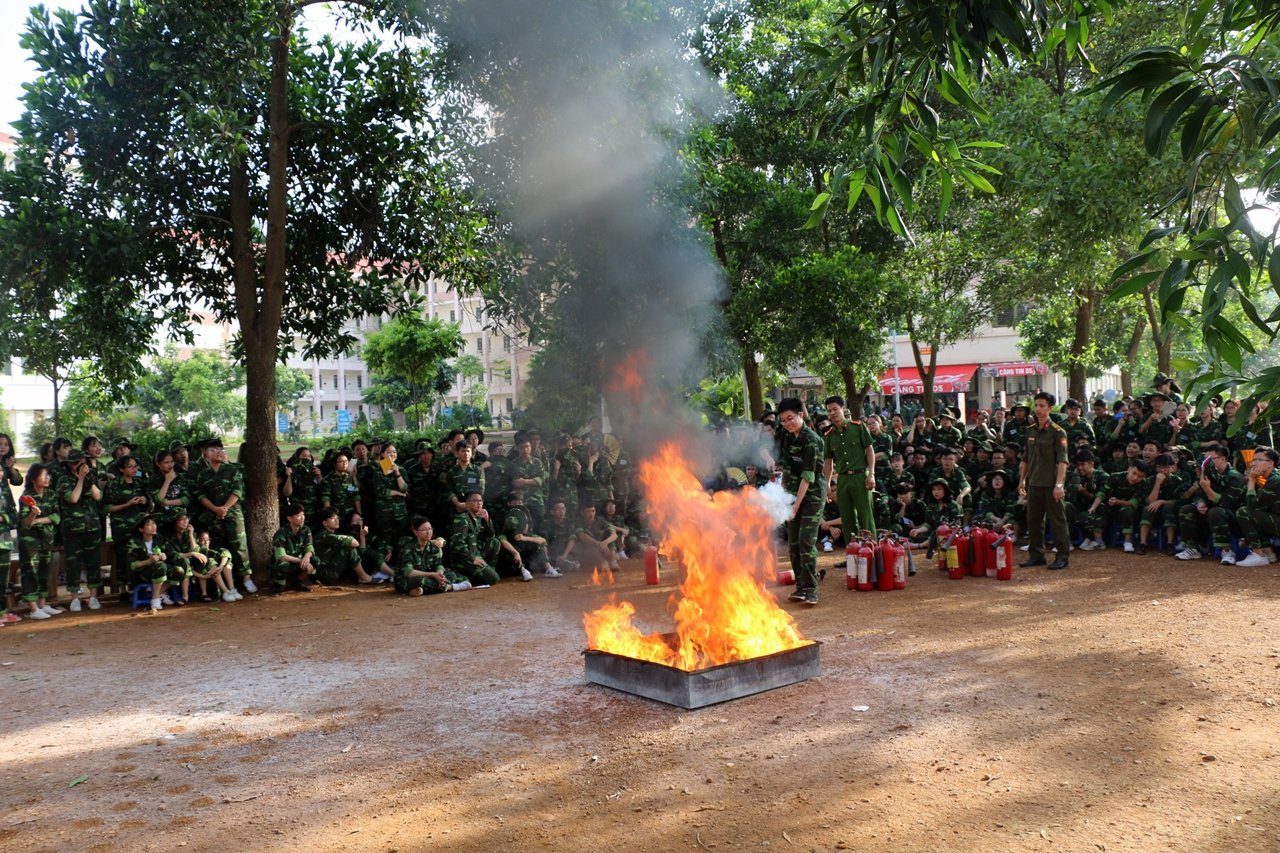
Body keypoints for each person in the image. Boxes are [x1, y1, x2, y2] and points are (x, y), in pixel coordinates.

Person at [777, 397, 825, 606]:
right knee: (794, 543)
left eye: (790, 419)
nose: (788, 424)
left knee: (806, 540)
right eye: (784, 421)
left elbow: (808, 476)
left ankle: (811, 589)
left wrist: (795, 506)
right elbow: (787, 470)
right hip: (793, 494)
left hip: (812, 495)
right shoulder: (788, 437)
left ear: (801, 415)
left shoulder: (811, 440)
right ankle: (800, 587)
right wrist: (783, 498)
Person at [194, 438, 255, 594]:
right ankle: (225, 583)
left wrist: (224, 508)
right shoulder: (203, 475)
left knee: (240, 547)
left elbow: (238, 492)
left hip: (233, 514)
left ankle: (246, 579)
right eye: (213, 450)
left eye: (221, 450)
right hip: (213, 517)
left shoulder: (233, 470)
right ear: (206, 454)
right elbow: (200, 496)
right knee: (219, 548)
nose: (218, 452)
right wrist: (216, 509)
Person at [1018, 391, 1070, 570]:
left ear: (1050, 408)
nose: (1038, 409)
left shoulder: (1058, 432)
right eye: (1036, 405)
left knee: (1057, 522)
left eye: (1042, 406)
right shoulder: (1030, 432)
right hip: (1033, 484)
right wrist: (1022, 481)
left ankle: (1062, 556)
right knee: (1033, 521)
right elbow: (1025, 459)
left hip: (1050, 485)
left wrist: (1059, 484)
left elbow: (1063, 461)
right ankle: (1036, 555)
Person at [1176, 445, 1246, 563]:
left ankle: (1227, 551)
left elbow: (1227, 503)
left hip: (1235, 517)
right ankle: (1193, 548)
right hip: (1213, 514)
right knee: (1187, 510)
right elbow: (1199, 495)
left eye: (1210, 459)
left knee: (1216, 512)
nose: (1206, 463)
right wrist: (1201, 503)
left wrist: (1207, 489)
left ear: (1223, 459)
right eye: (1205, 460)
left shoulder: (1235, 477)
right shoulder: (1208, 473)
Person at [822, 395, 877, 538]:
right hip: (842, 480)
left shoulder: (858, 427)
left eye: (835, 409)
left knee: (866, 518)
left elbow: (869, 450)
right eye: (829, 411)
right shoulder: (829, 435)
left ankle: (872, 555)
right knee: (847, 519)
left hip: (860, 477)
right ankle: (852, 557)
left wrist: (871, 474)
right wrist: (827, 484)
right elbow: (828, 461)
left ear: (843, 408)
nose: (832, 413)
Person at [58, 450, 105, 612]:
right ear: (69, 465)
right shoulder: (64, 480)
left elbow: (98, 496)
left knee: (93, 563)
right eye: (74, 463)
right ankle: (75, 599)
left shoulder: (91, 477)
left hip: (92, 527)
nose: (77, 465)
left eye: (80, 462)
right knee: (73, 565)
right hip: (72, 530)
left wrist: (89, 479)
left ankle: (93, 597)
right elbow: (73, 498)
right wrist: (80, 480)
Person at [18, 464, 62, 620]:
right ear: (34, 479)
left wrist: (37, 520)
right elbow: (25, 523)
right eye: (44, 476)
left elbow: (56, 517)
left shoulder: (51, 494)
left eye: (48, 475)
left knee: (44, 571)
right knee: (30, 573)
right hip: (30, 542)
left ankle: (43, 605)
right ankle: (33, 608)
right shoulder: (26, 497)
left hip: (46, 540)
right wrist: (32, 514)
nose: (47, 478)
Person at [105, 455, 152, 593]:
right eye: (130, 467)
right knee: (122, 558)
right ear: (121, 469)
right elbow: (107, 508)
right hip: (121, 528)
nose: (134, 469)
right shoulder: (113, 485)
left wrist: (145, 500)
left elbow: (150, 504)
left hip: (138, 527)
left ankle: (139, 587)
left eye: (135, 467)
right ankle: (122, 590)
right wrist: (128, 504)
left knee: (140, 555)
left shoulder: (140, 483)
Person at [1234, 446, 1280, 567]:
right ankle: (1269, 553)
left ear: (1270, 463)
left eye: (1259, 460)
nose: (1254, 463)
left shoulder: (1275, 480)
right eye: (1254, 460)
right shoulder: (1271, 478)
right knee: (1258, 513)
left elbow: (1252, 505)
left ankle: (1259, 555)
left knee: (1244, 512)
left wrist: (1251, 480)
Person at [396, 516, 464, 595]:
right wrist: (432, 574)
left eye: (430, 529)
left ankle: (420, 590)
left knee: (450, 574)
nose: (428, 532)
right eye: (424, 530)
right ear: (415, 532)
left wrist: (439, 574)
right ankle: (450, 587)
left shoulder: (434, 547)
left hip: (428, 577)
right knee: (420, 581)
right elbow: (408, 572)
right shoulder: (408, 548)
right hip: (408, 579)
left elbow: (438, 564)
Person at [499, 491, 557, 579]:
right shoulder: (504, 518)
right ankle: (523, 570)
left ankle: (548, 568)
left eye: (520, 503)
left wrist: (524, 538)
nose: (519, 506)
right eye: (515, 503)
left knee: (537, 544)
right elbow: (501, 538)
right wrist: (515, 553)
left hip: (526, 554)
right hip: (510, 559)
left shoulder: (526, 518)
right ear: (509, 504)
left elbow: (542, 541)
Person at [448, 491, 501, 586]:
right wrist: (472, 559)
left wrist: (487, 519)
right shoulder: (462, 519)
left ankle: (486, 571)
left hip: (476, 554)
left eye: (480, 500)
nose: (479, 503)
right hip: (464, 560)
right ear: (467, 504)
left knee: (495, 542)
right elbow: (457, 544)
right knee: (494, 579)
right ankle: (463, 576)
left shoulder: (478, 519)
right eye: (475, 500)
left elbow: (490, 536)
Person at [129, 514, 177, 612]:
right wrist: (149, 561)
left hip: (160, 569)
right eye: (149, 525)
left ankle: (157, 593)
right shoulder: (134, 542)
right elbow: (133, 565)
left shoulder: (160, 538)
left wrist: (164, 556)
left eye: (154, 524)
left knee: (179, 570)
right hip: (143, 572)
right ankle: (155, 599)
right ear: (141, 529)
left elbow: (171, 553)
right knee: (161, 566)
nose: (153, 527)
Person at [271, 502, 316, 593]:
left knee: (316, 560)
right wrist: (301, 561)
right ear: (289, 518)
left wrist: (306, 557)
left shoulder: (306, 529)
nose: (302, 517)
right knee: (283, 564)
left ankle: (297, 582)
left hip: (298, 561)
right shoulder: (281, 533)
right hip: (286, 562)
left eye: (303, 515)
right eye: (299, 515)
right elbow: (281, 556)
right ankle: (278, 584)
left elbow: (309, 546)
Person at [576, 503, 619, 572]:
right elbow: (582, 536)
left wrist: (605, 542)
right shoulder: (579, 522)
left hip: (603, 548)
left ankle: (613, 561)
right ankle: (603, 563)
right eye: (588, 511)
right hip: (587, 552)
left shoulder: (600, 520)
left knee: (610, 539)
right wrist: (599, 544)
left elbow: (614, 534)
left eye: (593, 511)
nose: (591, 514)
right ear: (582, 513)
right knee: (589, 544)